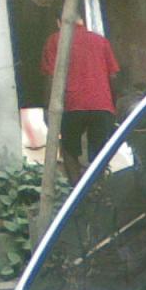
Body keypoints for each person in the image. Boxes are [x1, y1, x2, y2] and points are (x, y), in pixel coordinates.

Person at [41, 17, 120, 185]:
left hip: (72, 104)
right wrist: (113, 104)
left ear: (58, 22)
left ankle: (77, 192)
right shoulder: (101, 41)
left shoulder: (55, 40)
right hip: (101, 104)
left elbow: (51, 77)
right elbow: (113, 76)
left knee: (69, 151)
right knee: (100, 152)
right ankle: (99, 189)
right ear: (82, 21)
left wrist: (48, 106)